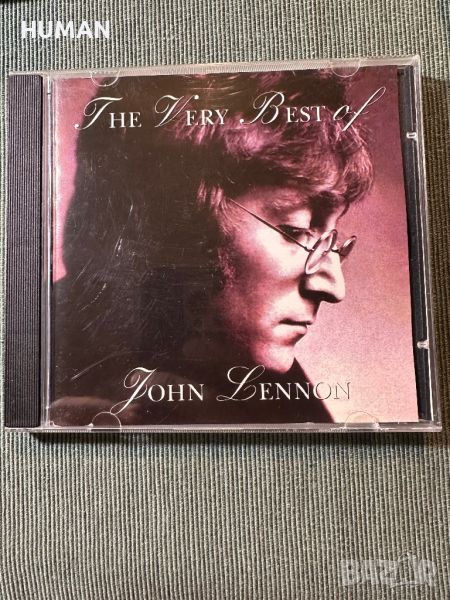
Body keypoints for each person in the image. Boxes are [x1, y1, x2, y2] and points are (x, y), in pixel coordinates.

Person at [51, 69, 373, 427]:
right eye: (296, 231)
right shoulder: (43, 363)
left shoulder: (255, 373)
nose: (334, 287)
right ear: (176, 220)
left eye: (333, 242)